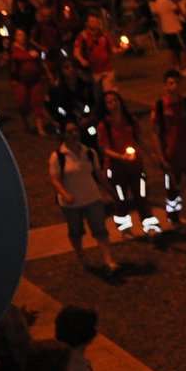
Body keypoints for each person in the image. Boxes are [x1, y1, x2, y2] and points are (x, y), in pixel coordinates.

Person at [48, 114, 121, 275]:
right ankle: (81, 255)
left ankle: (108, 260)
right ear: (63, 135)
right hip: (71, 203)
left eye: (75, 130)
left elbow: (98, 174)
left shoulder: (89, 152)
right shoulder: (58, 156)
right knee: (76, 231)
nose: (74, 133)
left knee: (100, 230)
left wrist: (111, 191)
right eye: (69, 131)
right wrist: (65, 194)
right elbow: (55, 180)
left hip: (92, 197)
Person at [151, 70, 186, 226]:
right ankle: (174, 216)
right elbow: (155, 133)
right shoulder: (160, 106)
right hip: (171, 155)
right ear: (165, 86)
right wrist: (160, 157)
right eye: (170, 83)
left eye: (177, 83)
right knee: (173, 190)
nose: (174, 87)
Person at [97, 89, 155, 235]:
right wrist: (120, 156)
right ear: (105, 106)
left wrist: (152, 154)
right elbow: (104, 148)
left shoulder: (130, 120)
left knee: (141, 196)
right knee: (120, 198)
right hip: (116, 168)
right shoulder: (104, 126)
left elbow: (139, 139)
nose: (113, 104)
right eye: (109, 102)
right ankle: (125, 228)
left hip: (135, 166)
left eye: (115, 100)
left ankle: (149, 227)